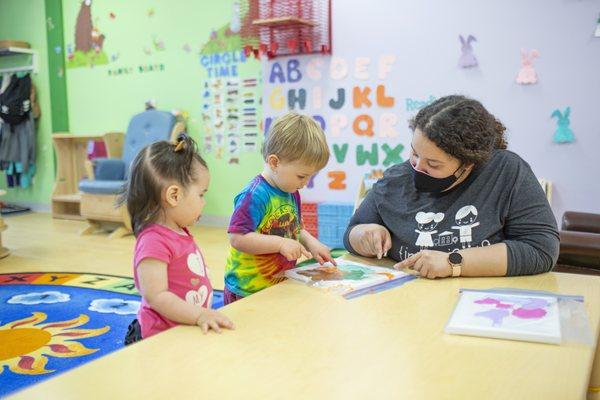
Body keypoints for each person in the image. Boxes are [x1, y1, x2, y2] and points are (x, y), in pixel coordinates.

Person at [344, 95, 559, 279]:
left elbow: (541, 249)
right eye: (415, 153)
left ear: (468, 164)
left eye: (433, 164)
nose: (417, 167)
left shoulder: (506, 172)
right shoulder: (395, 181)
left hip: (477, 302)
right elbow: (351, 235)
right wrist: (365, 235)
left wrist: (453, 263)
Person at [121, 135, 234, 344]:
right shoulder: (153, 241)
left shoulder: (178, 230)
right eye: (201, 194)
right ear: (174, 195)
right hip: (156, 338)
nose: (204, 202)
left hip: (181, 329)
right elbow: (157, 296)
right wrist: (199, 315)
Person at [224, 112, 335, 304]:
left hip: (276, 282)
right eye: (302, 176)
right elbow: (237, 238)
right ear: (274, 162)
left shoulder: (291, 190)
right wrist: (280, 244)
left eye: (310, 177)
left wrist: (311, 243)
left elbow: (294, 229)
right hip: (247, 289)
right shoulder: (255, 195)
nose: (305, 183)